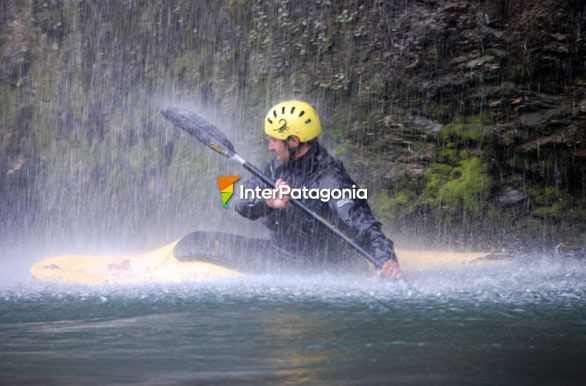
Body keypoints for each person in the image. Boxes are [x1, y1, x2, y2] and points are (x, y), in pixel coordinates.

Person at [235, 100, 402, 279]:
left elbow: (362, 223)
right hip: (278, 254)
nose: (270, 147)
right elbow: (241, 201)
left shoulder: (329, 179)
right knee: (201, 240)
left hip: (321, 266)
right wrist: (268, 201)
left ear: (293, 141)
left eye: (274, 140)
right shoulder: (277, 167)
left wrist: (385, 259)